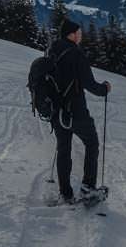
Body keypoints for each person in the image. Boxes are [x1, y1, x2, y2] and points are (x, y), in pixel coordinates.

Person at [47, 19, 111, 203]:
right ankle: (87, 188)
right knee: (92, 143)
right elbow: (89, 84)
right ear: (71, 34)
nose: (81, 35)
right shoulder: (76, 53)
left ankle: (65, 193)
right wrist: (104, 89)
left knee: (63, 149)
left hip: (57, 111)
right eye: (79, 32)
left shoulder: (52, 50)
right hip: (76, 111)